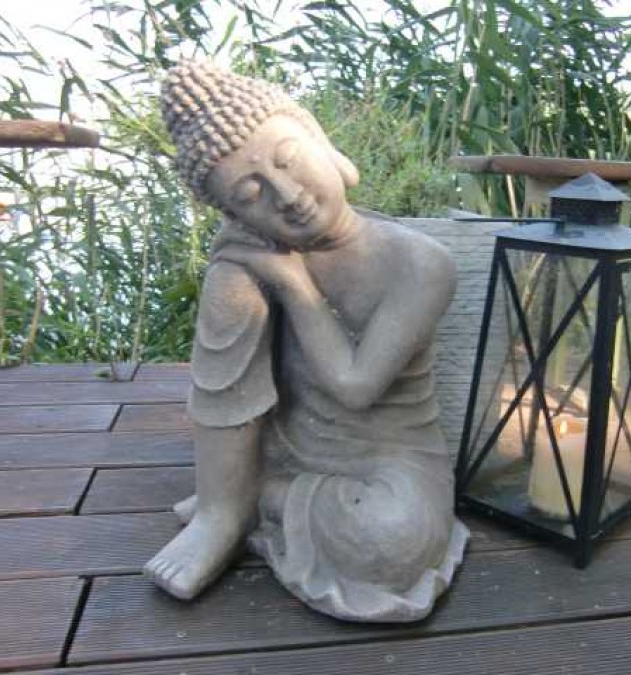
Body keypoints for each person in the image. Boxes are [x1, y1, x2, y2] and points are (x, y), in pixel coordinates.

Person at [145, 61, 468, 622]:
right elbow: (228, 383)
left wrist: (295, 285)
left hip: (390, 462)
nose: (289, 195)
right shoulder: (254, 262)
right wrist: (249, 276)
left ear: (320, 138)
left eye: (289, 159)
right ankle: (222, 512)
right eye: (251, 194)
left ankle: (257, 496)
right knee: (231, 282)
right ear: (234, 215)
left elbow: (356, 388)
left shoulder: (420, 262)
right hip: (289, 443)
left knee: (391, 540)